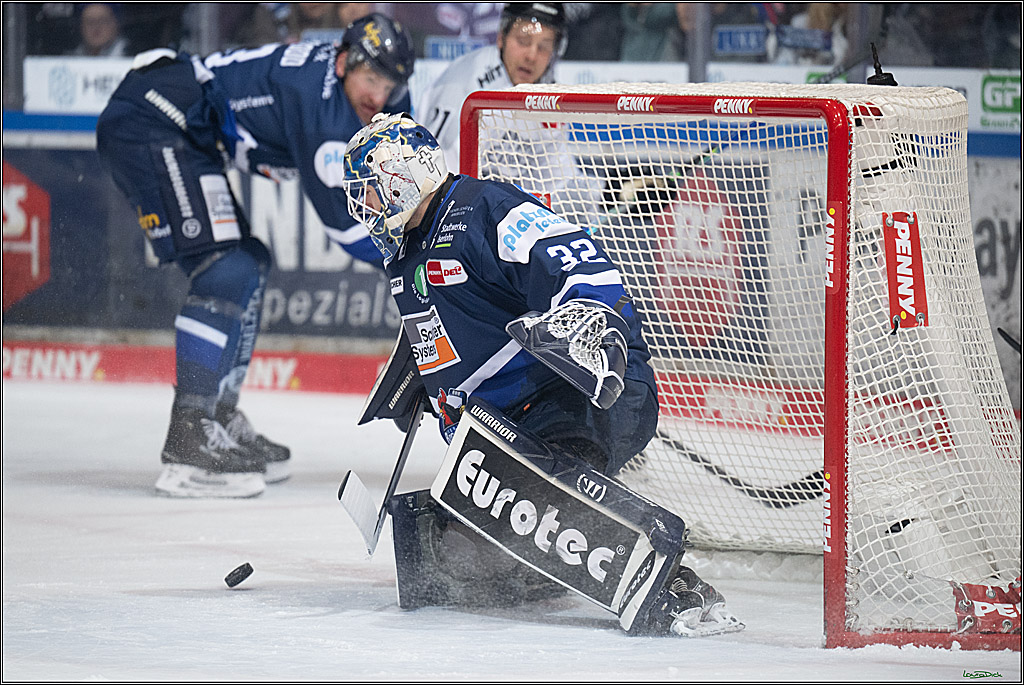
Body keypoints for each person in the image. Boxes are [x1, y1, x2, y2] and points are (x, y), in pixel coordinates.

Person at [340, 111, 745, 637]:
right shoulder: (403, 251)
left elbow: (579, 263)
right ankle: (544, 565)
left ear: (403, 176)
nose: (364, 206)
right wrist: (426, 382)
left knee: (538, 506)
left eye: (370, 190)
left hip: (582, 391)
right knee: (448, 566)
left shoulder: (484, 208)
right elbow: (446, 322)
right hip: (505, 427)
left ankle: (674, 588)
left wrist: (587, 318)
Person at [95, 13, 415, 498]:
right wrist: (417, 267)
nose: (379, 96)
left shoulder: (359, 95)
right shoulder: (321, 105)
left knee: (248, 262)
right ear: (344, 62)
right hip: (151, 118)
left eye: (390, 85)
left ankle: (216, 416)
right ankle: (189, 436)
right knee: (227, 267)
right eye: (371, 79)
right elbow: (347, 227)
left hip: (180, 124)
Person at [416, 2, 601, 223]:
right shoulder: (467, 85)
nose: (531, 56)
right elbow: (433, 180)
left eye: (544, 47)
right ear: (501, 38)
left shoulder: (546, 95)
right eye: (523, 41)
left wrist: (609, 193)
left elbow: (559, 181)